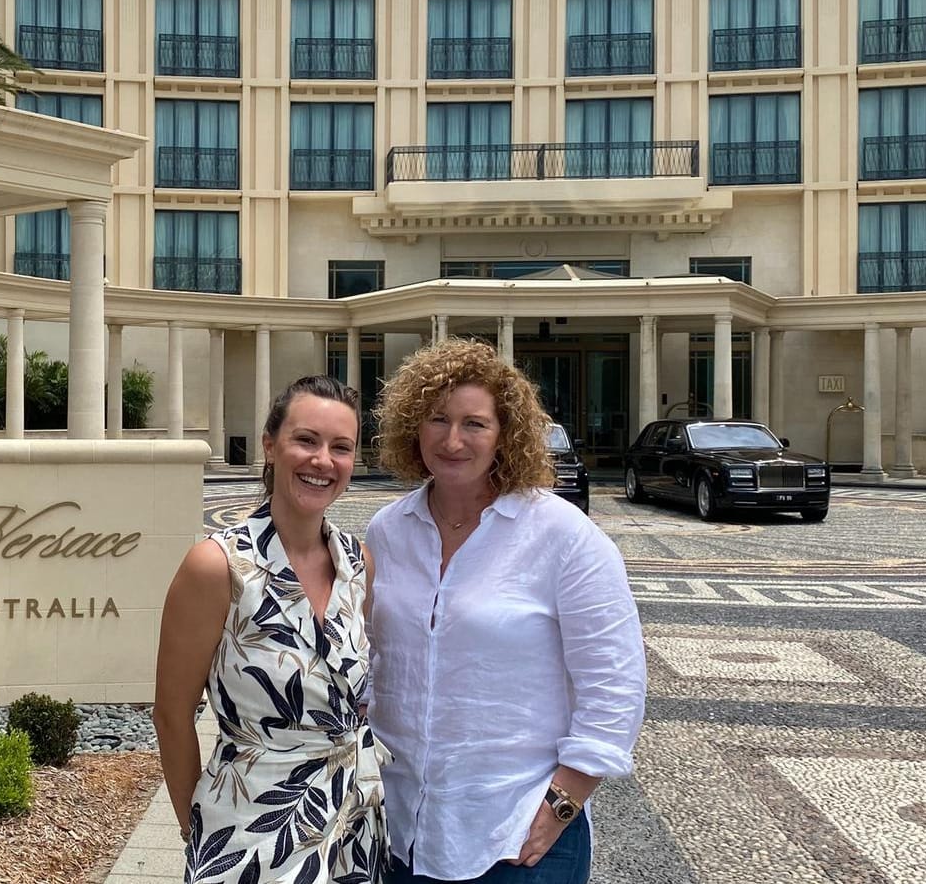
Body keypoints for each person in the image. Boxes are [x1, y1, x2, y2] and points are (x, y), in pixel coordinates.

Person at [366, 338, 646, 884]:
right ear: (411, 428)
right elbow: (376, 664)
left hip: (516, 836)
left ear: (506, 434)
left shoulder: (563, 536)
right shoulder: (387, 530)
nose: (452, 440)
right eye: (436, 419)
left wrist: (562, 805)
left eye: (474, 423)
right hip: (399, 833)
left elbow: (615, 682)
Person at [154, 375, 386, 884]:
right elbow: (171, 715)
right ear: (270, 445)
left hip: (352, 828)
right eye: (306, 440)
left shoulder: (358, 564)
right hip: (248, 834)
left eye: (340, 447)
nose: (322, 460)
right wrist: (198, 829)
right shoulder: (217, 567)